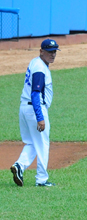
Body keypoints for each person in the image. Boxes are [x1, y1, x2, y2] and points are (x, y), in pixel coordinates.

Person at [10, 38, 59, 187]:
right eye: (50, 52)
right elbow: (35, 93)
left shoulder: (35, 62)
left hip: (24, 108)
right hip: (34, 109)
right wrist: (40, 117)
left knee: (31, 142)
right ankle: (42, 180)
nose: (53, 54)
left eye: (55, 51)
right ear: (41, 51)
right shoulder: (39, 68)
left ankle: (19, 166)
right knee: (43, 144)